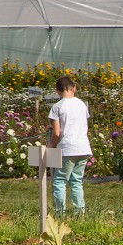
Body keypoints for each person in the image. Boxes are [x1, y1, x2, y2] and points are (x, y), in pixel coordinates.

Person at [48, 76, 91, 214]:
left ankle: (60, 212)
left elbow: (56, 133)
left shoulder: (57, 107)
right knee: (76, 181)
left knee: (60, 180)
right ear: (74, 89)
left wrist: (52, 146)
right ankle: (80, 211)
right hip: (83, 147)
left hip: (67, 148)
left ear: (57, 91)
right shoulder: (82, 104)